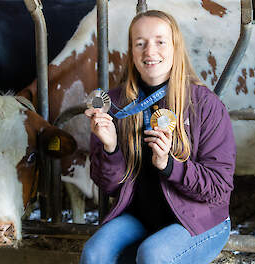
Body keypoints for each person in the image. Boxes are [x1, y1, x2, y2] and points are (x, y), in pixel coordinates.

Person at [82, 10, 236, 264]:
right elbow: (108, 186)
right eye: (139, 43)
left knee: (153, 254)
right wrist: (110, 148)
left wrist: (170, 166)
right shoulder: (116, 105)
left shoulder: (205, 105)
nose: (149, 51)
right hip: (141, 217)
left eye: (160, 41)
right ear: (131, 52)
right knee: (94, 253)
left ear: (176, 47)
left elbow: (218, 189)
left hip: (199, 218)